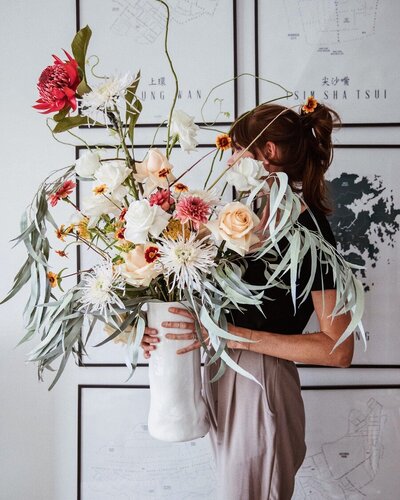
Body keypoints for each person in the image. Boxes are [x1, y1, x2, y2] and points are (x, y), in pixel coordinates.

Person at [140, 100, 355, 500]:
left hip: (263, 382)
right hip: (227, 376)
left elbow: (339, 349)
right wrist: (155, 333)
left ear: (267, 153)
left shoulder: (309, 230)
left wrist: (231, 336)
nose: (229, 161)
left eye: (236, 151)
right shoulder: (245, 216)